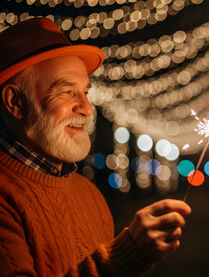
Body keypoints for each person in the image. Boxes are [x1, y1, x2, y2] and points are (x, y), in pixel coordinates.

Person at [0, 18, 191, 276]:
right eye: (67, 92)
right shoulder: (5, 197)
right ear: (15, 102)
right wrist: (125, 254)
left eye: (85, 92)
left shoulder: (90, 194)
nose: (87, 109)